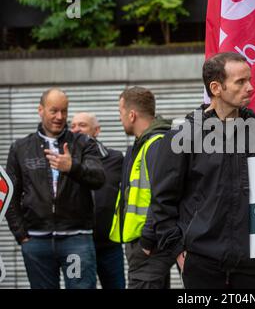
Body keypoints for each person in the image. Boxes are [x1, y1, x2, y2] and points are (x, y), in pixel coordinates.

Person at [148, 52, 255, 289]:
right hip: (202, 265)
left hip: (253, 266)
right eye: (241, 82)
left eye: (250, 79)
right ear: (216, 87)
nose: (251, 87)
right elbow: (162, 202)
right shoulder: (182, 138)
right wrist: (178, 252)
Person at [5, 88, 105, 289]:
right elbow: (9, 194)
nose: (60, 117)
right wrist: (22, 235)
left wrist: (72, 167)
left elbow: (98, 177)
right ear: (40, 110)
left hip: (76, 239)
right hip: (36, 242)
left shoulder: (84, 143)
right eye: (54, 111)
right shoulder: (20, 148)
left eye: (64, 111)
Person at [109, 86, 175, 289]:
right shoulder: (144, 144)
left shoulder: (155, 144)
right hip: (144, 245)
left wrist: (146, 242)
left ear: (131, 114)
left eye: (120, 113)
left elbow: (163, 197)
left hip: (148, 246)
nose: (120, 118)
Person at [71, 112, 125, 289]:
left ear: (97, 130)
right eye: (73, 126)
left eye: (82, 125)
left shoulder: (116, 159)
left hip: (109, 245)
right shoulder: (66, 162)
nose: (76, 129)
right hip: (78, 245)